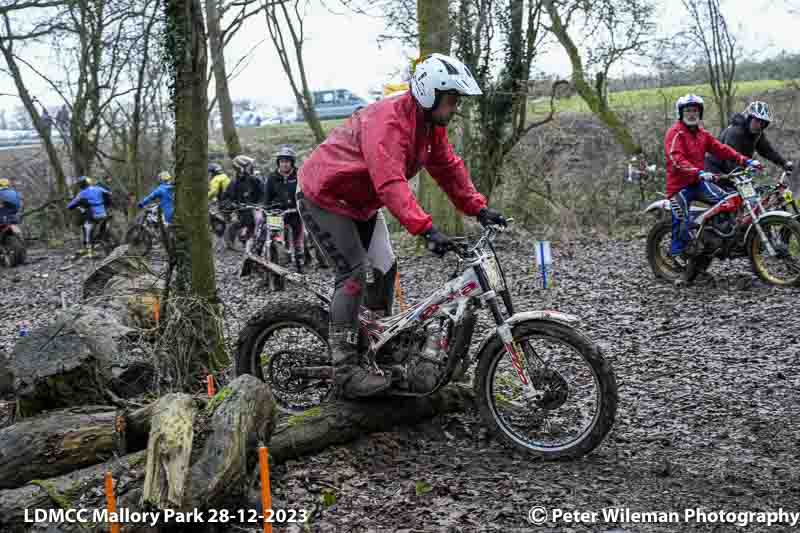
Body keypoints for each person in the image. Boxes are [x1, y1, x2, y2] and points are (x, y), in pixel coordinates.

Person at [297, 53, 507, 399]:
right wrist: (425, 229)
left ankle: (377, 345)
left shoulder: (428, 126)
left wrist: (478, 208)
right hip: (324, 196)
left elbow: (448, 167)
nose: (454, 108)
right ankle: (346, 370)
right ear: (429, 93)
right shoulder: (388, 122)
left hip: (362, 204)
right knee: (351, 275)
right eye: (451, 100)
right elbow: (391, 183)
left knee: (385, 267)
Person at [665, 94, 761, 285]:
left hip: (698, 182)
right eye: (688, 111)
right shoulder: (675, 133)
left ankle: (716, 240)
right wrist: (697, 172)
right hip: (679, 186)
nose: (691, 114)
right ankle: (677, 254)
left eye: (695, 111)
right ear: (681, 113)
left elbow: (721, 148)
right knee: (682, 222)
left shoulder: (702, 134)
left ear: (699, 113)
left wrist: (745, 160)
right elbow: (676, 159)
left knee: (728, 201)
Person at [705, 101, 793, 179]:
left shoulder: (757, 134)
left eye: (763, 123)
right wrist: (745, 173)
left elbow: (767, 151)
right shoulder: (735, 132)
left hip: (734, 172)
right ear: (749, 118)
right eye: (757, 121)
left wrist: (783, 163)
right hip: (716, 171)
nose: (759, 126)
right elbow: (731, 158)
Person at [265, 146, 305, 272]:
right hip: (277, 213)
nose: (284, 164)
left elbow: (306, 191)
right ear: (278, 163)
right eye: (282, 161)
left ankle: (300, 262)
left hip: (295, 211)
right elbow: (267, 196)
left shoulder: (300, 175)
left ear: (292, 163)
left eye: (287, 161)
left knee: (298, 238)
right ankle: (273, 257)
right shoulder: (272, 178)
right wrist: (265, 208)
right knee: (274, 237)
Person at [67, 176, 113, 253]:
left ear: (81, 185)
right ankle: (104, 240)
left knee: (87, 226)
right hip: (104, 213)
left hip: (93, 215)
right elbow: (109, 193)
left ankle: (89, 247)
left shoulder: (82, 193)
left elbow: (70, 205)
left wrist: (72, 206)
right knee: (103, 227)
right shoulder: (99, 188)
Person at [223, 155, 263, 239]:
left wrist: (261, 204)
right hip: (242, 213)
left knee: (261, 220)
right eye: (249, 166)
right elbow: (226, 198)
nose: (251, 168)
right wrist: (231, 204)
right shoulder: (234, 183)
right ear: (241, 168)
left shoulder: (255, 180)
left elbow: (264, 193)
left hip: (257, 209)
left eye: (251, 166)